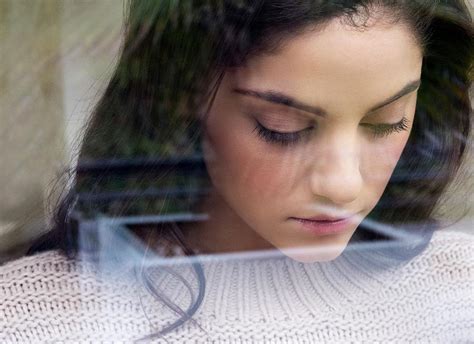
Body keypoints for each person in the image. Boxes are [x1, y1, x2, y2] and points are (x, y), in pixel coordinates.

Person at [1, 0, 473, 342]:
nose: (343, 184)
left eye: (386, 122)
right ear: (178, 104)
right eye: (282, 128)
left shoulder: (460, 289)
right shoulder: (29, 322)